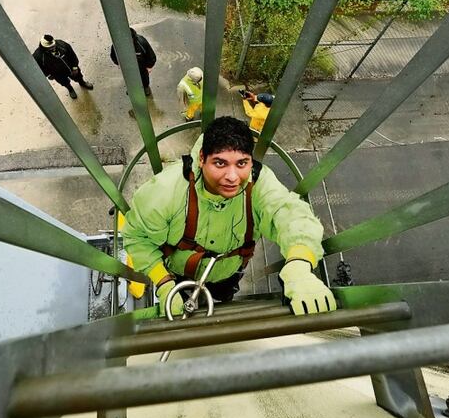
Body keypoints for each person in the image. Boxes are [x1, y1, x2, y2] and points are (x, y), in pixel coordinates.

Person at [121, 116, 336, 317]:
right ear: (202, 158)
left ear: (250, 162)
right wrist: (164, 283)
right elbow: (138, 238)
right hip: (177, 274)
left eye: (241, 163)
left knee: (224, 300)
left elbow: (290, 215)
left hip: (228, 274)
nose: (232, 177)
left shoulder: (257, 185)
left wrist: (299, 263)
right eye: (220, 163)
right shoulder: (165, 192)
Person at [33, 34, 93, 99]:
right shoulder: (38, 56)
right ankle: (70, 89)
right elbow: (39, 68)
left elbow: (72, 55)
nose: (53, 47)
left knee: (78, 76)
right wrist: (48, 75)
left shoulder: (62, 45)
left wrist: (75, 67)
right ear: (44, 47)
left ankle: (82, 83)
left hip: (70, 68)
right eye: (50, 47)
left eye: (53, 45)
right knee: (64, 82)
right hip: (57, 74)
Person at [110, 27, 157, 96]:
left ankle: (145, 87)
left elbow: (150, 54)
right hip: (127, 67)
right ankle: (132, 88)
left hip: (141, 66)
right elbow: (114, 55)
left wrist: (149, 66)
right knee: (129, 78)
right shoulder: (117, 44)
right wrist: (118, 63)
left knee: (144, 77)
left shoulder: (141, 42)